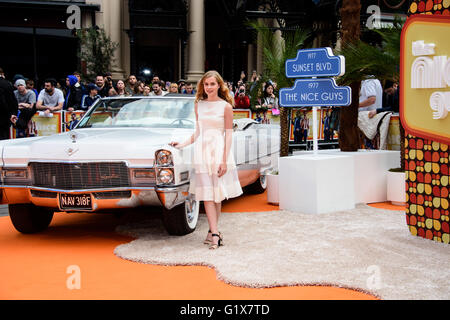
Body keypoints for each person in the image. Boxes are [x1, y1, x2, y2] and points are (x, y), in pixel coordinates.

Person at [169, 70, 243, 250]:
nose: (209, 87)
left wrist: (224, 160)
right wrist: (182, 144)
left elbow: (228, 136)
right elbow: (198, 132)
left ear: (219, 85)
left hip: (218, 152)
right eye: (206, 84)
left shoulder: (225, 106)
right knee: (208, 196)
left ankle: (213, 232)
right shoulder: (198, 105)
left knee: (216, 196)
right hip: (202, 152)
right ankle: (215, 233)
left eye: (212, 84)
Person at [0, 68, 18, 140]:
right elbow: (12, 101)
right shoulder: (6, 83)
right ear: (2, 74)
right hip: (4, 117)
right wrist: (13, 113)